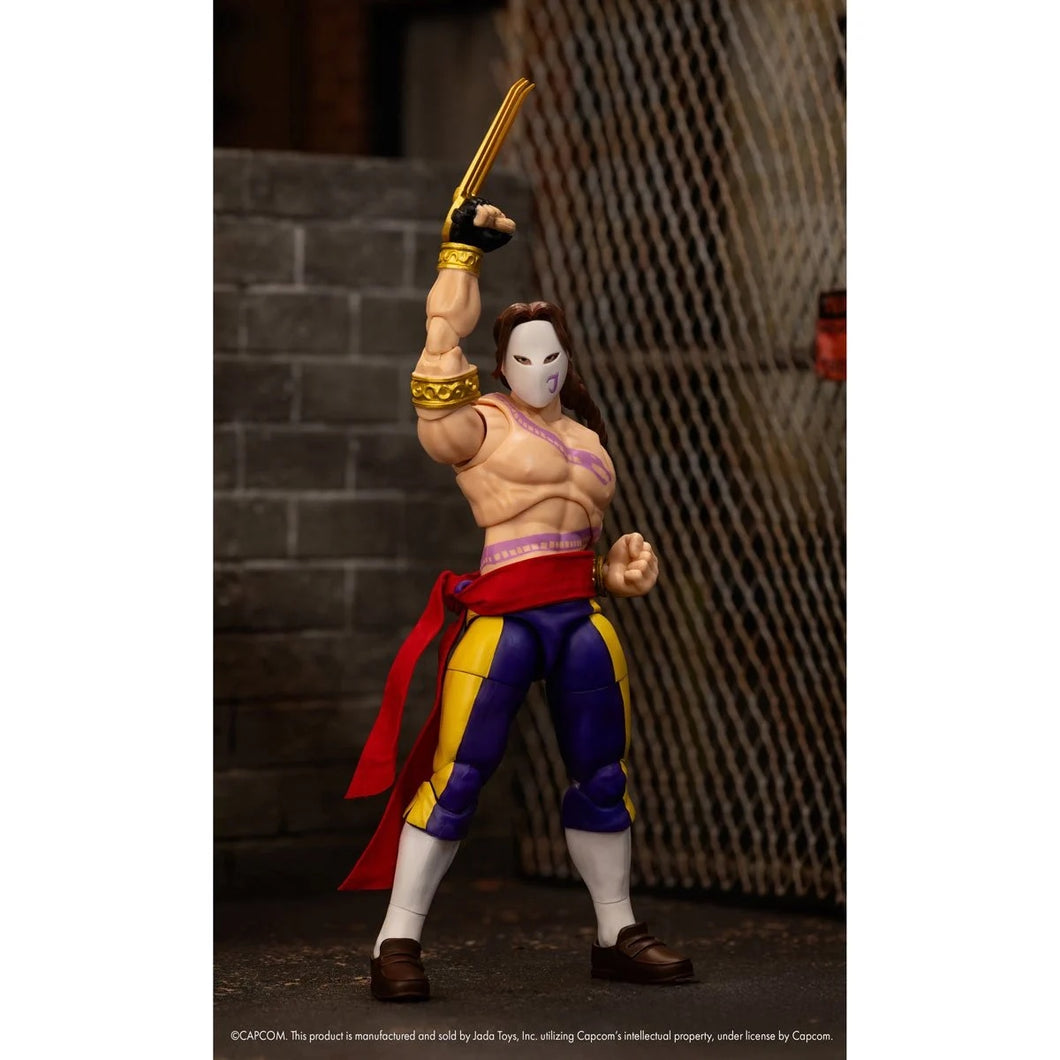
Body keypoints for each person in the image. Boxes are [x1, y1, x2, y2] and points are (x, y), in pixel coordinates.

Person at [340, 197, 693, 1001]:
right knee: (459, 774)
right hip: (503, 622)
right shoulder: (483, 426)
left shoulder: (588, 439)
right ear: (502, 367)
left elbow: (578, 545)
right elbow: (439, 357)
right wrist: (459, 258)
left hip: (580, 620)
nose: (542, 369)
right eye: (525, 358)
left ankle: (616, 931)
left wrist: (617, 573)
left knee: (603, 774)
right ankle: (396, 940)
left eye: (553, 355)